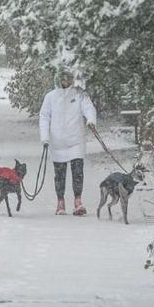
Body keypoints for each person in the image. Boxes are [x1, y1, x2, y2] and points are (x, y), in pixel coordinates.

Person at [39, 69, 97, 216]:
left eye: (69, 79)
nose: (67, 82)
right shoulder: (50, 97)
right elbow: (44, 117)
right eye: (64, 79)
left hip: (76, 140)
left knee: (78, 172)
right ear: (58, 80)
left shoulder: (79, 95)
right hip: (57, 141)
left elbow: (89, 108)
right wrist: (45, 137)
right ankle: (60, 202)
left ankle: (78, 201)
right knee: (60, 175)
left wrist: (90, 120)